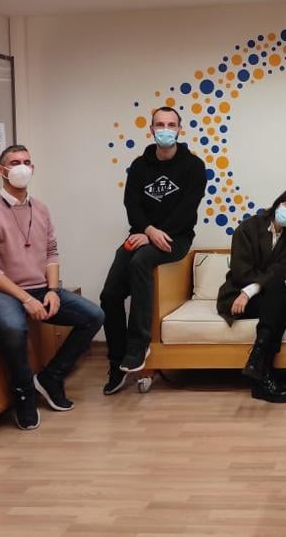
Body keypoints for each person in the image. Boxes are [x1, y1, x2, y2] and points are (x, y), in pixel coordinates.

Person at [0, 145, 105, 430]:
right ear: (0, 170)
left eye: (26, 162)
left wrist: (52, 290)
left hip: (41, 288)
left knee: (93, 316)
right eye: (14, 162)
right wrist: (26, 299)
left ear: (32, 168)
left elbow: (51, 253)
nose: (21, 167)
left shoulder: (40, 208)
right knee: (14, 327)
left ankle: (51, 377)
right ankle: (23, 392)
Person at [101, 106, 207, 395]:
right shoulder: (139, 166)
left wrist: (157, 234)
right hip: (142, 234)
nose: (165, 129)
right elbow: (131, 204)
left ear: (179, 130)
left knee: (142, 261)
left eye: (171, 124)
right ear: (151, 130)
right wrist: (148, 231)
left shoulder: (194, 166)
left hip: (177, 238)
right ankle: (117, 362)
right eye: (160, 124)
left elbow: (187, 209)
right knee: (109, 295)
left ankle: (139, 345)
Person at [216, 187, 286, 403]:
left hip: (261, 297)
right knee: (282, 302)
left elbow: (281, 272)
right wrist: (246, 292)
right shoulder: (248, 227)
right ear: (278, 203)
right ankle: (262, 370)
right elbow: (240, 271)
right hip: (236, 295)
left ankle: (257, 366)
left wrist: (251, 291)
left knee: (278, 292)